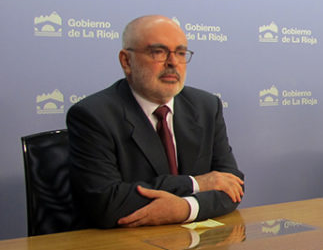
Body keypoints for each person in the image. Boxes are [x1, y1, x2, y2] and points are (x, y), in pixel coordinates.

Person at [67, 15, 244, 228]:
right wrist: (195, 184)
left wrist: (185, 208)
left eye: (180, 53)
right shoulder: (94, 115)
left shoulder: (206, 106)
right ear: (126, 61)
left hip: (195, 242)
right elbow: (106, 202)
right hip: (125, 242)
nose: (173, 62)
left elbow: (232, 186)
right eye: (158, 52)